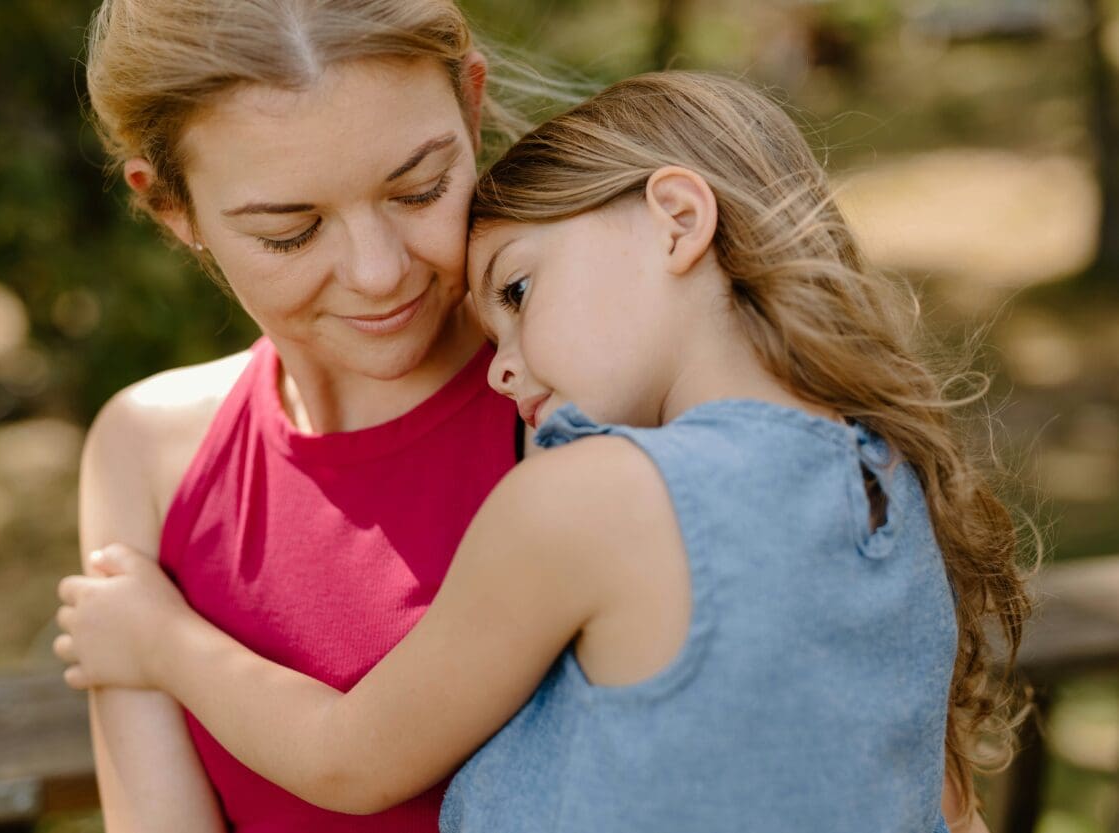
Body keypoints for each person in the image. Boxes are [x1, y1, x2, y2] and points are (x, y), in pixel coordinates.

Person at [56, 72, 1030, 832]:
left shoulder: (589, 494)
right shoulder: (881, 477)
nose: (501, 368)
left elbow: (351, 754)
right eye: (291, 226)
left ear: (677, 220)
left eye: (517, 293)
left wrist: (159, 641)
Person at [69, 1, 556, 830]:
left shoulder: (568, 390)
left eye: (420, 188)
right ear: (170, 208)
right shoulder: (148, 452)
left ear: (472, 106)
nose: (377, 272)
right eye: (291, 232)